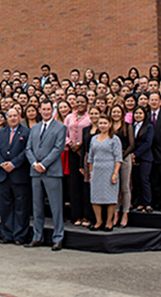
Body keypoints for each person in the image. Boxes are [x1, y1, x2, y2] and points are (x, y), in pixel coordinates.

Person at [25, 100, 66, 250]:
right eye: (44, 109)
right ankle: (37, 237)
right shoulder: (34, 128)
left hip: (52, 172)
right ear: (40, 110)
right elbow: (28, 148)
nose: (46, 112)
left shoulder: (60, 127)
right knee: (37, 207)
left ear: (52, 111)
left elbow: (58, 148)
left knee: (56, 207)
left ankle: (58, 238)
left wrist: (44, 164)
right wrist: (35, 164)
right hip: (35, 172)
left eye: (49, 109)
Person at [0, 107, 30, 245]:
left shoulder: (26, 132)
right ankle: (7, 234)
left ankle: (19, 236)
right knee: (5, 207)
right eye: (10, 116)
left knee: (21, 207)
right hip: (3, 175)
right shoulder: (0, 132)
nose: (13, 118)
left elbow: (27, 151)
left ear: (19, 117)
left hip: (19, 175)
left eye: (15, 115)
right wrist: (2, 163)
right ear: (6, 118)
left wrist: (13, 164)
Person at [87, 114, 123, 231]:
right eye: (100, 123)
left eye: (105, 123)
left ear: (110, 124)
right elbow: (90, 158)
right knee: (95, 197)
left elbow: (118, 158)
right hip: (97, 170)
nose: (102, 125)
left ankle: (109, 222)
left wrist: (115, 173)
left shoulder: (114, 139)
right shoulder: (93, 139)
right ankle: (98, 221)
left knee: (110, 197)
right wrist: (91, 173)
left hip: (109, 169)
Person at [64, 94, 91, 227]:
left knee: (85, 184)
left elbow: (92, 132)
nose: (80, 104)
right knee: (74, 185)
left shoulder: (90, 116)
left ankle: (87, 216)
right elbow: (64, 133)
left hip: (85, 153)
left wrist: (80, 144)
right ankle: (76, 215)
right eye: (77, 101)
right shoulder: (69, 117)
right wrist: (71, 144)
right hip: (72, 153)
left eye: (82, 101)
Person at [110, 104, 133, 226]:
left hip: (124, 158)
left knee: (124, 187)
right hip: (111, 159)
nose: (116, 114)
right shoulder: (109, 127)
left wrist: (121, 156)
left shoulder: (127, 126)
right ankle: (115, 213)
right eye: (114, 112)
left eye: (118, 112)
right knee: (114, 187)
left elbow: (131, 144)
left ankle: (125, 213)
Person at [131, 106, 153, 212]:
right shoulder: (132, 126)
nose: (138, 115)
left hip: (145, 156)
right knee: (137, 180)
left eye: (140, 113)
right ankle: (140, 202)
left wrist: (136, 154)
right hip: (134, 158)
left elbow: (148, 143)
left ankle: (148, 203)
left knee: (144, 180)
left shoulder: (149, 126)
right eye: (136, 113)